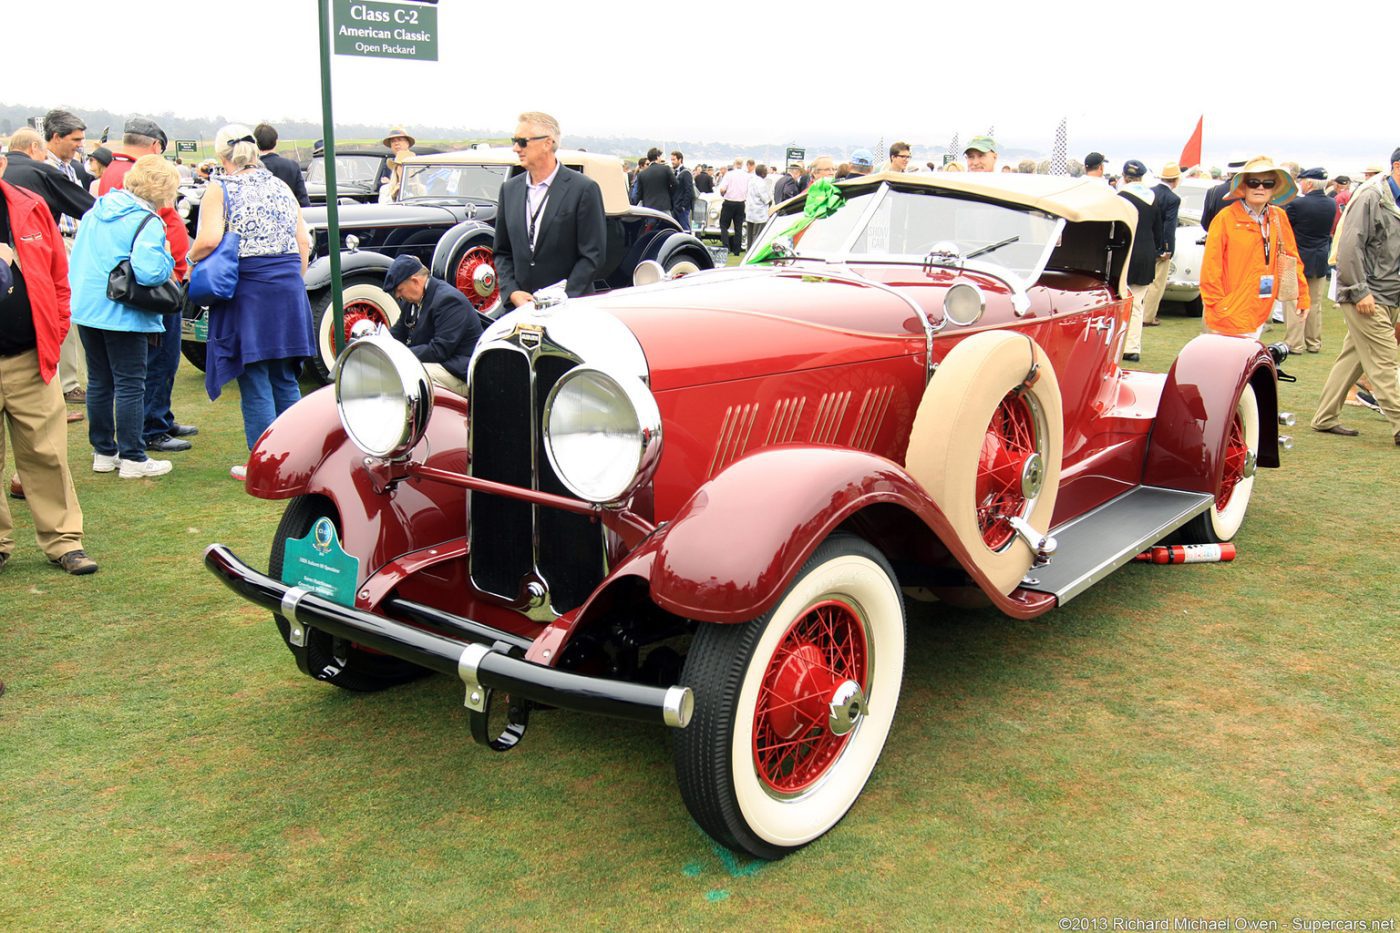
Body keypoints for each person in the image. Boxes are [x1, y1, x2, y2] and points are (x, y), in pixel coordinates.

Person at [189, 124, 314, 479]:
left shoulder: (220, 187)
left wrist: (189, 258)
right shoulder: (280, 185)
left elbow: (209, 239)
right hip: (287, 285)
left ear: (222, 156)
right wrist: (293, 278)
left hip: (248, 287)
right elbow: (302, 239)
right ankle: (298, 459)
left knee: (256, 375)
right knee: (285, 375)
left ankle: (265, 464)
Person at [0, 152, 98, 574]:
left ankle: (64, 542)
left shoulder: (28, 204)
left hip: (29, 358)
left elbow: (59, 276)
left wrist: (56, 332)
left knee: (48, 454)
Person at [68, 154, 179, 479]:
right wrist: (169, 260)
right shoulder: (146, 221)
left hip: (88, 308)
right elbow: (148, 273)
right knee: (131, 383)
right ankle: (132, 456)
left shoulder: (95, 210)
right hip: (122, 312)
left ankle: (104, 451)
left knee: (100, 382)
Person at [99, 120, 194, 455]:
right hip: (153, 284)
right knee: (159, 356)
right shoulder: (131, 175)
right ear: (155, 146)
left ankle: (159, 417)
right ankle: (151, 426)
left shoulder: (116, 171)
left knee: (161, 357)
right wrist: (170, 264)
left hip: (157, 278)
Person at [2, 127, 97, 419]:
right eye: (76, 140)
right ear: (37, 146)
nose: (80, 146)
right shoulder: (42, 173)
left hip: (28, 343)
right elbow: (90, 208)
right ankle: (67, 384)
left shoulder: (28, 193)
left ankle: (64, 382)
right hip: (29, 349)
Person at [1309, 149, 1400, 445]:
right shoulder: (1371, 196)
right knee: (1386, 361)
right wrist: (1359, 290)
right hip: (1368, 294)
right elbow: (1350, 245)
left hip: (1389, 295)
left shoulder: (1390, 198)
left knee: (1354, 359)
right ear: (1397, 167)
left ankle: (1324, 417)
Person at [493, 111, 606, 310]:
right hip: (520, 310)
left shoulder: (583, 189)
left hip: (570, 309)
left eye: (522, 141)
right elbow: (502, 251)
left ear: (547, 143)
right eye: (514, 140)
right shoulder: (509, 189)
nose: (515, 148)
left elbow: (592, 256)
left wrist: (558, 298)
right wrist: (512, 292)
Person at [1199, 155, 1307, 339]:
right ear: (1243, 186)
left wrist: (1303, 295)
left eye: (1268, 183)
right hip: (1227, 312)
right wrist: (1218, 306)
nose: (1260, 187)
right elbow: (1210, 267)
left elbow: (1292, 258)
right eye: (1254, 182)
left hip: (1260, 308)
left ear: (1274, 189)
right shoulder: (1226, 219)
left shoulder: (1277, 217)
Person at [382, 255, 481, 395]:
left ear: (415, 281)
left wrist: (400, 355)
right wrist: (379, 345)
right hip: (440, 365)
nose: (398, 296)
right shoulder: (412, 301)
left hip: (460, 373)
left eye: (400, 290)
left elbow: (439, 350)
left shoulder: (449, 300)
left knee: (409, 373)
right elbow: (398, 333)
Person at [1283, 168, 1339, 354]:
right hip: (1320, 256)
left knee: (1294, 301)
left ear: (1309, 183)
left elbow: (1286, 229)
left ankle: (1294, 343)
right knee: (1315, 303)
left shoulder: (1298, 204)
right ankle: (1313, 342)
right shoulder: (1331, 203)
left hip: (1298, 257)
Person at [1117, 161, 1159, 362]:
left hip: (1125, 253)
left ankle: (1119, 344)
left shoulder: (1120, 198)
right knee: (1137, 304)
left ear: (1124, 176)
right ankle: (1132, 347)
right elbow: (1158, 230)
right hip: (1146, 253)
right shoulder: (1152, 198)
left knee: (1120, 301)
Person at [1141, 161, 1183, 328]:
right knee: (1157, 283)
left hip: (1145, 243)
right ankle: (1148, 316)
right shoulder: (1173, 199)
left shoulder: (1149, 193)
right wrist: (1167, 248)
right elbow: (1169, 226)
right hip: (1159, 245)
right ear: (1175, 179)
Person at [254, 123, 311, 208]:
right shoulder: (292, 166)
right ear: (276, 142)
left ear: (255, 143)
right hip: (291, 217)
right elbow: (303, 201)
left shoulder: (252, 168)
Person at [717, 158, 749, 255]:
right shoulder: (746, 175)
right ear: (742, 164)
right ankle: (737, 250)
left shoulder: (729, 174)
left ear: (734, 164)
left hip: (729, 202)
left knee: (723, 225)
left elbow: (722, 189)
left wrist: (723, 193)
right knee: (738, 227)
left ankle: (726, 247)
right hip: (740, 203)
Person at [634, 146, 675, 213]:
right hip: (664, 205)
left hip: (649, 208)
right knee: (669, 223)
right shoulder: (666, 169)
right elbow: (675, 184)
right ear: (658, 157)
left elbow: (639, 193)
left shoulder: (641, 174)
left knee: (650, 223)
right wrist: (668, 193)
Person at [377, 128, 416, 192]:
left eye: (399, 140)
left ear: (407, 143)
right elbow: (380, 183)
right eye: (393, 141)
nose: (396, 143)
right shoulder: (388, 164)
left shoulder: (418, 162)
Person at [745, 164, 771, 251]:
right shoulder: (761, 182)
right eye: (766, 171)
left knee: (750, 235)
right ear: (763, 173)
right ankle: (754, 251)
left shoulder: (751, 181)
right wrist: (769, 202)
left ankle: (749, 251)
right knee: (758, 235)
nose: (767, 173)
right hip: (759, 213)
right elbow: (764, 197)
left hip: (750, 211)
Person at [670, 150, 694, 232]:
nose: (672, 162)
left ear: (680, 160)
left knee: (685, 229)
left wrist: (683, 205)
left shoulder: (686, 173)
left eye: (674, 159)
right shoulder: (673, 172)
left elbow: (689, 190)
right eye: (671, 160)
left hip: (682, 207)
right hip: (675, 206)